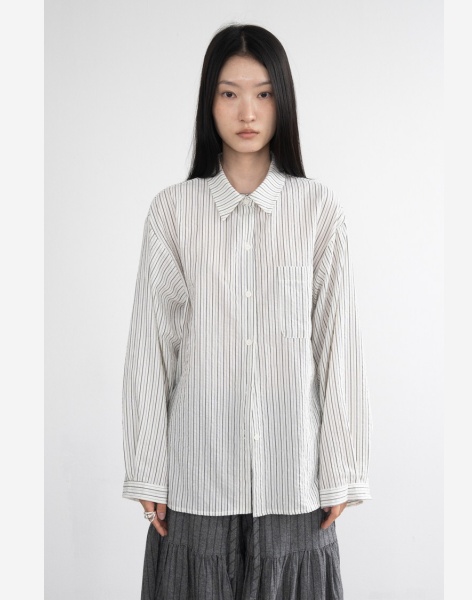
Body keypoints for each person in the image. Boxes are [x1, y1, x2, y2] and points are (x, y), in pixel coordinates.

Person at [122, 23, 372, 600]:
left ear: (283, 101)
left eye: (263, 93)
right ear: (208, 102)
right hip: (196, 481)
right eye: (229, 93)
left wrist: (341, 469)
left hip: (294, 480)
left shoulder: (317, 210)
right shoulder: (172, 213)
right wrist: (148, 469)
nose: (248, 112)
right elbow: (150, 349)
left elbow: (337, 344)